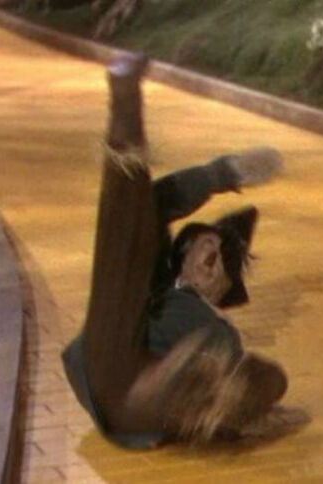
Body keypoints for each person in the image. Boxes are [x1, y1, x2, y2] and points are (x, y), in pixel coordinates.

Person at [62, 147, 289, 448]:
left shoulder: (220, 334)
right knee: (131, 220)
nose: (213, 261)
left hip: (148, 399)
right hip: (111, 365)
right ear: (184, 250)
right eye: (209, 247)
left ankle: (204, 400)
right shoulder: (157, 282)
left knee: (249, 367)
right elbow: (154, 203)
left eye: (225, 263)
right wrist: (219, 175)